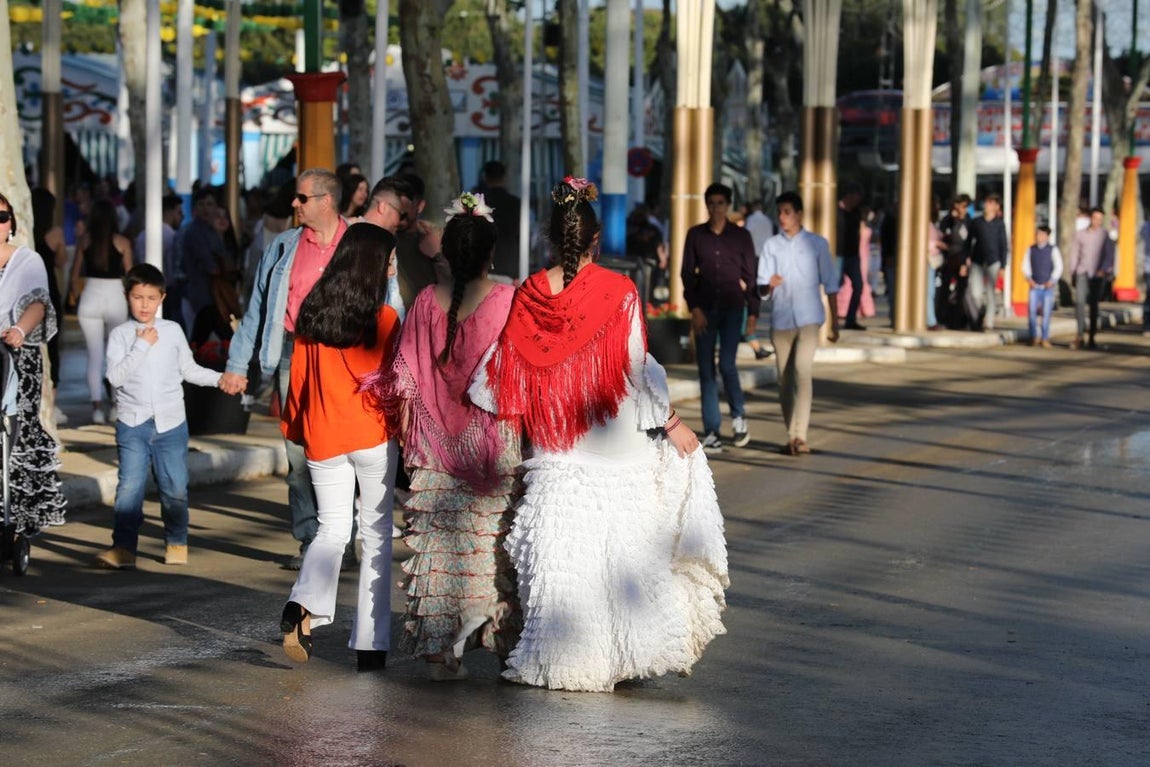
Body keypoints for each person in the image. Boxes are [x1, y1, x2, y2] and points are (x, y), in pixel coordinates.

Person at [472, 176, 728, 692]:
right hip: (616, 444)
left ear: (550, 236)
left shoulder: (529, 293)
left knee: (563, 563)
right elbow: (635, 370)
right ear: (595, 238)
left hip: (555, 446)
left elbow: (499, 376)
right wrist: (674, 425)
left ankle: (567, 661)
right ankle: (624, 656)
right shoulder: (620, 291)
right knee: (623, 560)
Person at [369, 192, 521, 681]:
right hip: (493, 449)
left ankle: (441, 649)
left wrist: (416, 440)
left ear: (447, 256)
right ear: (491, 255)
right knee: (492, 547)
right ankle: (497, 640)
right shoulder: (509, 302)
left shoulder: (422, 306)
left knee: (438, 552)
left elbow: (405, 382)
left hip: (433, 453)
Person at [278, 223, 401, 671]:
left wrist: (294, 427)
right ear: (375, 265)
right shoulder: (384, 320)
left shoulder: (311, 314)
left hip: (324, 436)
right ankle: (371, 646)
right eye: (389, 260)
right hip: (371, 436)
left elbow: (298, 380)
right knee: (377, 536)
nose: (392, 268)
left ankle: (300, 604)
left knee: (330, 530)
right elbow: (391, 385)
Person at [220, 168, 347, 569]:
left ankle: (346, 534)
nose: (294, 204)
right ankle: (310, 539)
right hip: (294, 354)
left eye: (302, 198)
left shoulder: (358, 245)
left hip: (343, 358)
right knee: (298, 455)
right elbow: (257, 308)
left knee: (345, 451)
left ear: (326, 201)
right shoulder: (283, 247)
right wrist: (237, 364)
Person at [94, 264, 227, 569]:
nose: (144, 304)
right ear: (127, 297)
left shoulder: (173, 331)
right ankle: (124, 547)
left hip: (171, 424)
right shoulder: (120, 335)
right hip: (132, 423)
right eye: (138, 297)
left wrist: (220, 379)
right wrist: (141, 345)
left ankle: (177, 540)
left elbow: (189, 370)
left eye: (151, 298)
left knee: (174, 486)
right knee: (129, 487)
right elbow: (115, 377)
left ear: (162, 297)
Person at [0, 193, 67, 540]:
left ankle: (17, 517)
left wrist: (18, 330)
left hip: (16, 352)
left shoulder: (29, 261)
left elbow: (38, 304)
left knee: (16, 428)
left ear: (11, 223)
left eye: (1, 216)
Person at [757, 191, 840, 456]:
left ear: (800, 214)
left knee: (802, 373)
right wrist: (768, 285)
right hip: (780, 320)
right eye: (779, 212)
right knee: (784, 379)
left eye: (787, 212)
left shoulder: (817, 244)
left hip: (809, 320)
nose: (782, 217)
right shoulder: (771, 246)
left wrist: (835, 322)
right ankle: (791, 433)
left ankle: (798, 435)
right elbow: (761, 288)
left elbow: (831, 284)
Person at [681, 182, 760, 452]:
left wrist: (754, 314)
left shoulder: (741, 237)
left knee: (727, 365)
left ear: (728, 206)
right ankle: (712, 430)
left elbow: (750, 278)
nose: (716, 208)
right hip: (704, 310)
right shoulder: (695, 235)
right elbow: (687, 274)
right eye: (711, 203)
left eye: (721, 203)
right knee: (706, 370)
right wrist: (695, 309)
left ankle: (738, 417)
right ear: (706, 205)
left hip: (732, 308)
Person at [69, 198, 133, 424]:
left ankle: (96, 408)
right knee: (116, 355)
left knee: (94, 356)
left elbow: (74, 275)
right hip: (116, 297)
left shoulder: (85, 241)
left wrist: (75, 297)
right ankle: (116, 405)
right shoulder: (122, 242)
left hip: (90, 297)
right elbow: (130, 277)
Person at [30, 188, 69, 425]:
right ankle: (51, 404)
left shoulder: (23, 232)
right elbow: (61, 262)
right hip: (50, 292)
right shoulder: (54, 234)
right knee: (53, 348)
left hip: (27, 294)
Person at [394, 173, 450, 310]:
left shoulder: (435, 238)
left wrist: (437, 255)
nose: (400, 210)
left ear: (420, 205)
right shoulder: (382, 238)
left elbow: (454, 286)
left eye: (407, 203)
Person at [1067, 207, 1112, 350]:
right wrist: (1072, 270)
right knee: (1079, 302)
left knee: (1094, 305)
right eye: (1095, 218)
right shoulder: (1080, 235)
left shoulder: (1105, 235)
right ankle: (1080, 335)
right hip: (1082, 271)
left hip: (1097, 274)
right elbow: (1074, 253)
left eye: (1100, 219)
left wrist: (1104, 270)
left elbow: (1110, 255)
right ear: (1090, 218)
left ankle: (1092, 336)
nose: (1097, 221)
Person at [968, 193, 1009, 331]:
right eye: (986, 202)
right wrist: (966, 258)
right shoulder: (976, 222)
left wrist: (1003, 266)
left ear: (996, 206)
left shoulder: (999, 223)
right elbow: (969, 242)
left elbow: (1004, 245)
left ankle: (989, 322)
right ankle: (980, 312)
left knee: (991, 292)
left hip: (993, 261)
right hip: (977, 261)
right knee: (975, 293)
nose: (987, 205)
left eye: (991, 203)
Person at [475, 160, 521, 281]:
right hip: (508, 267)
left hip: (482, 267)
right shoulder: (515, 203)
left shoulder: (479, 202)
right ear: (504, 177)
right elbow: (519, 236)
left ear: (485, 177)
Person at [1022, 225, 1063, 349]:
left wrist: (1052, 280)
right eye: (1037, 234)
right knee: (1032, 312)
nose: (1038, 237)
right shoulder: (1031, 249)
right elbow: (1025, 265)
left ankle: (1045, 337)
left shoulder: (1053, 250)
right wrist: (1029, 278)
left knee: (1046, 313)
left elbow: (1059, 266)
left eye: (1041, 234)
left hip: (1047, 287)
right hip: (1034, 285)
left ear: (1046, 236)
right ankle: (1033, 336)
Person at [936, 194, 973, 330]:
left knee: (961, 291)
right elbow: (942, 236)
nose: (961, 209)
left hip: (962, 259)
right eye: (958, 205)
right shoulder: (948, 220)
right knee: (944, 290)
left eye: (964, 206)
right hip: (949, 259)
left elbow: (970, 243)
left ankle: (958, 321)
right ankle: (942, 319)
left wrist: (967, 260)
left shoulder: (969, 221)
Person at [835, 205, 876, 323]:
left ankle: (845, 310)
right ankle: (853, 311)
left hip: (860, 256)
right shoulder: (860, 227)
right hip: (859, 255)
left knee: (854, 284)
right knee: (854, 284)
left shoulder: (858, 226)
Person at [836, 184, 866, 330]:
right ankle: (830, 318)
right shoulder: (836, 212)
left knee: (858, 285)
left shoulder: (856, 212)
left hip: (852, 255)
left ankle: (851, 319)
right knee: (833, 286)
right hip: (837, 254)